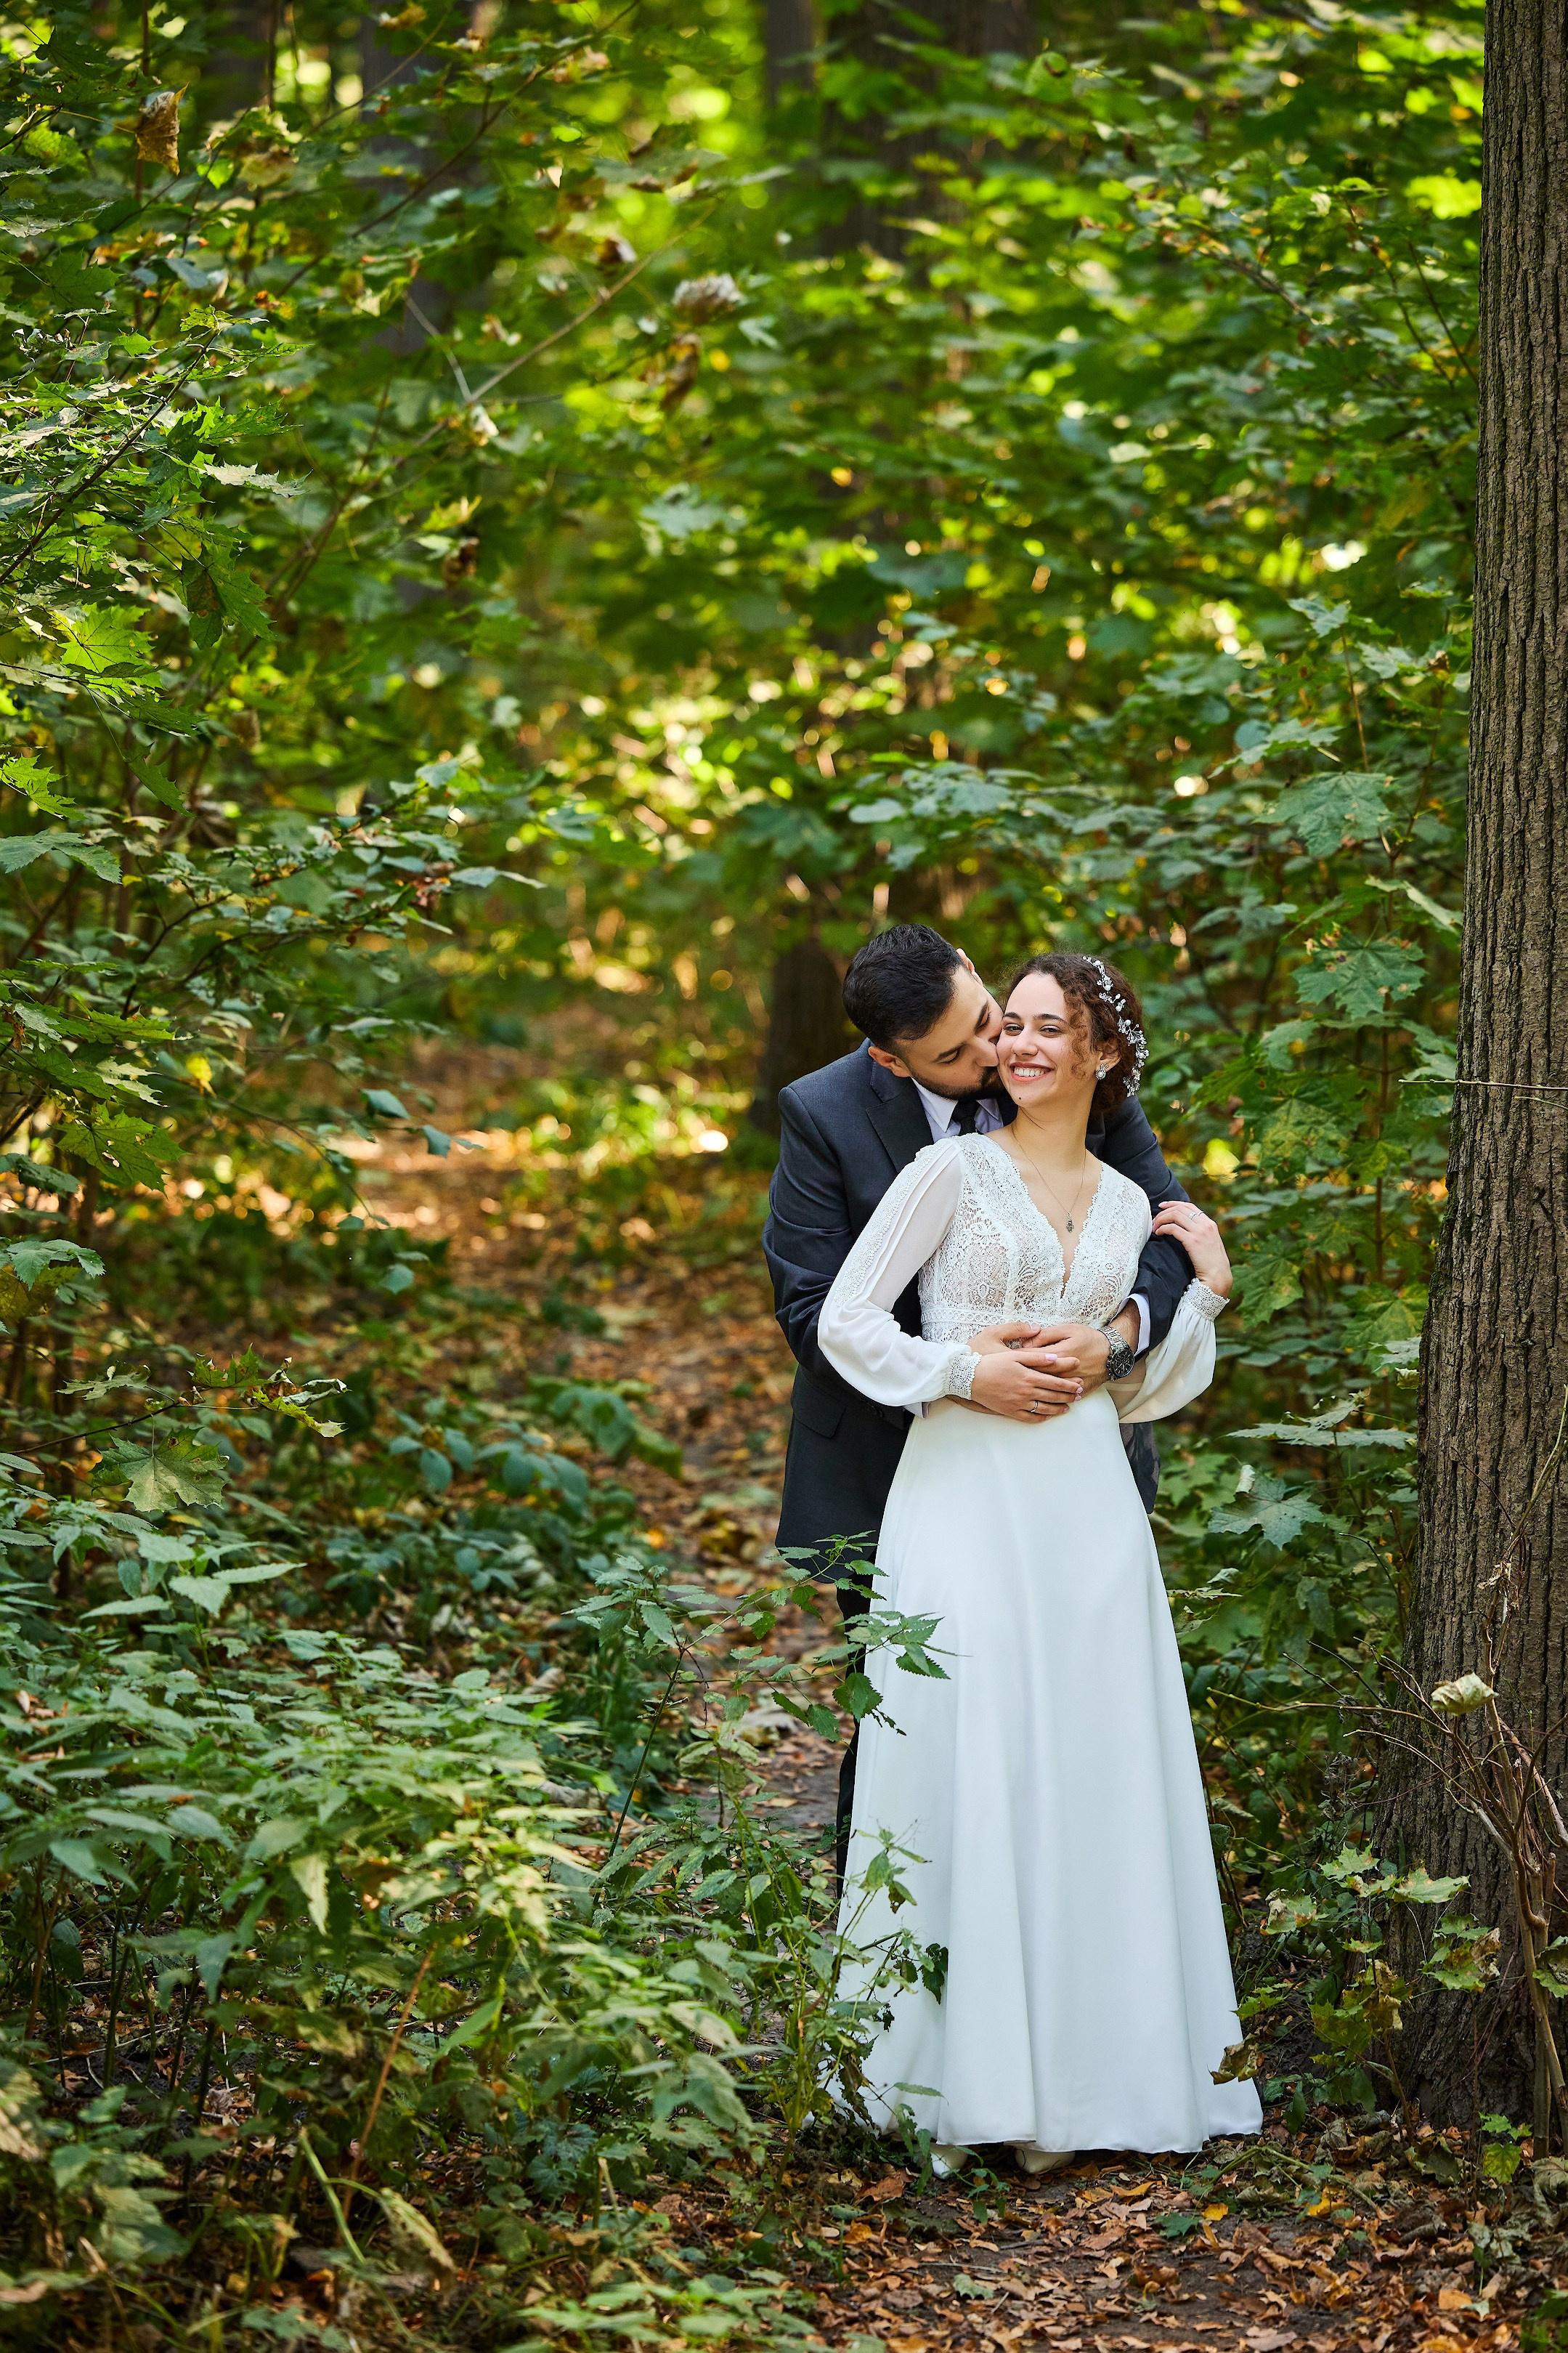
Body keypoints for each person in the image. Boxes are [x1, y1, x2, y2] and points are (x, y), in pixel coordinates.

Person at [816, 950, 1260, 2167]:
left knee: (1086, 1763)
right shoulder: (947, 1170)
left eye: (1046, 1028)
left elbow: (1138, 1393)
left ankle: (1075, 2089)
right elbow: (849, 1319)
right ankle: (953, 2090)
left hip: (1086, 1510)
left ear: (1102, 1055)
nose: (1015, 1045)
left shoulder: (1129, 1208)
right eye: (1006, 1025)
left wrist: (1203, 1297)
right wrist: (966, 1368)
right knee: (967, 1747)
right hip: (961, 1491)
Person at [762, 925, 1197, 1874]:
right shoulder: (823, 1113)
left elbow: (1167, 1235)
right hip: (897, 1462)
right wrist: (961, 1368)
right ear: (890, 1057)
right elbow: (812, 1309)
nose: (995, 1054)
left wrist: (1115, 1339)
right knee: (912, 1715)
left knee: (1069, 1717)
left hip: (1070, 1469)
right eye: (957, 1055)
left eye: (990, 1022)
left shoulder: (1059, 1072)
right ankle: (884, 1968)